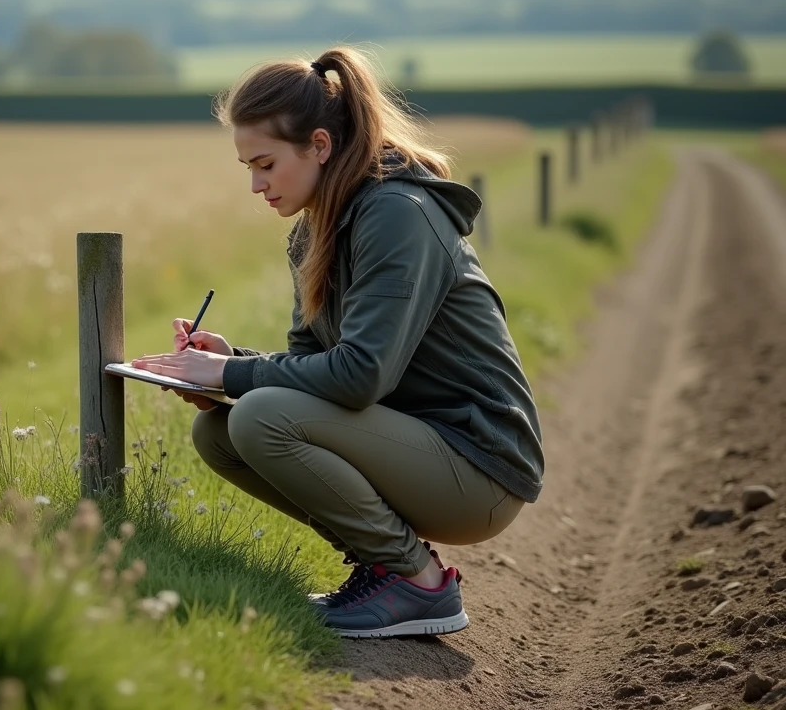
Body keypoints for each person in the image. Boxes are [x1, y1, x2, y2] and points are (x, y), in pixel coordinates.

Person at [131, 46, 544, 639]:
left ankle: (419, 585)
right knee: (220, 434)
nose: (255, 184)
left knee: (260, 417)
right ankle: (384, 565)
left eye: (266, 164)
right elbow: (311, 367)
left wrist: (228, 378)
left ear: (319, 146)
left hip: (481, 468)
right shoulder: (316, 229)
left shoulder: (398, 213)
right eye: (248, 167)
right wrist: (231, 363)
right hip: (419, 446)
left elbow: (359, 376)